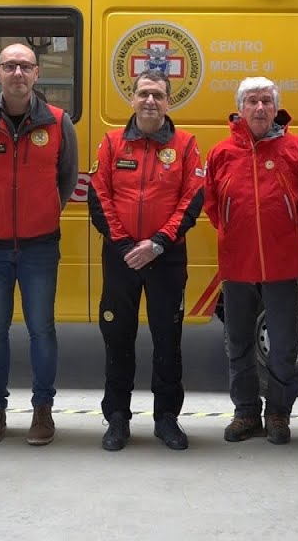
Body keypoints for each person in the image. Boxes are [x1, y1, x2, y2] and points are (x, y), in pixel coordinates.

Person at [0, 43, 78, 446]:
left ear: (37, 73)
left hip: (41, 245)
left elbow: (67, 178)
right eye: (10, 66)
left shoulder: (59, 122)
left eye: (25, 66)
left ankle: (43, 410)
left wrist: (43, 213)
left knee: (42, 329)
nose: (18, 73)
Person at [88, 69, 205, 451]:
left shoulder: (186, 146)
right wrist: (125, 246)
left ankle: (167, 419)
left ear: (169, 101)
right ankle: (117, 419)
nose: (150, 101)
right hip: (121, 258)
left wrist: (158, 242)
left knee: (168, 341)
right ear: (132, 99)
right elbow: (99, 197)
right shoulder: (110, 143)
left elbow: (192, 199)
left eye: (158, 94)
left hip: (166, 258)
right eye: (144, 94)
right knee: (117, 339)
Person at [204, 76, 298, 445]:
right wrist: (234, 232)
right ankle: (245, 413)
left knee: (284, 344)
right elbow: (211, 203)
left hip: (282, 261)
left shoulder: (297, 150)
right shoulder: (221, 152)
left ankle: (278, 414)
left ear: (276, 108)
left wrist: (285, 232)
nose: (259, 108)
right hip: (237, 262)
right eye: (252, 101)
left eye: (266, 102)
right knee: (237, 341)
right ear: (240, 109)